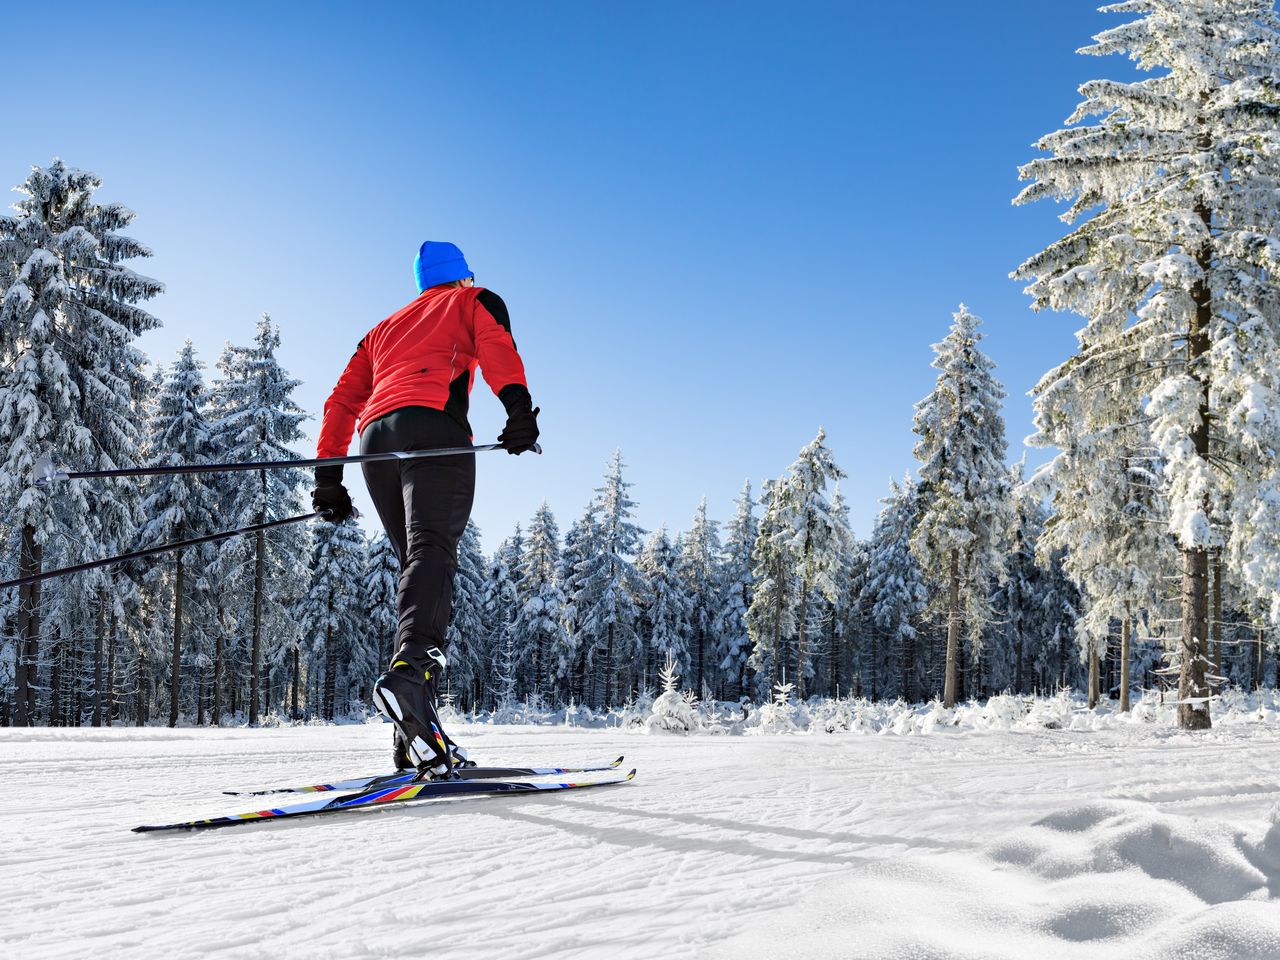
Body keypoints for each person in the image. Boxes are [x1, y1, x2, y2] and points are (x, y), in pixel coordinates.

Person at [312, 240, 540, 776]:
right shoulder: (473, 299)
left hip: (375, 442)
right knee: (432, 555)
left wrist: (328, 478)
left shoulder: (381, 329)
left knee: (418, 570)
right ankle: (412, 677)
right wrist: (519, 412)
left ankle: (415, 735)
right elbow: (498, 348)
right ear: (461, 276)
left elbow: (341, 400)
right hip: (435, 430)